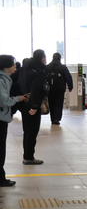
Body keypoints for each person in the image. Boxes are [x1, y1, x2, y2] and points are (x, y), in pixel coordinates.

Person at [0, 55, 28, 186]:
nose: (15, 66)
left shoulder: (6, 79)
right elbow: (4, 100)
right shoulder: (2, 80)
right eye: (13, 64)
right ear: (6, 67)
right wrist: (18, 99)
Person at [19, 50, 48, 165]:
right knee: (32, 131)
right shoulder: (39, 71)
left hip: (23, 103)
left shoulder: (23, 70)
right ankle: (29, 157)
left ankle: (27, 155)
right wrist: (35, 106)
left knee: (27, 130)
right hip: (32, 104)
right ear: (42, 58)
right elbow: (35, 89)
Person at [45, 52, 72, 126]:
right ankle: (57, 118)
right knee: (59, 103)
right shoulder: (62, 67)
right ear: (60, 58)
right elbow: (68, 77)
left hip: (50, 88)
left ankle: (52, 118)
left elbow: (43, 77)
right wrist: (70, 87)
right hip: (60, 88)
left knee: (51, 103)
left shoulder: (47, 67)